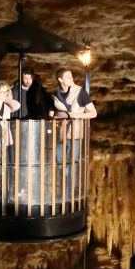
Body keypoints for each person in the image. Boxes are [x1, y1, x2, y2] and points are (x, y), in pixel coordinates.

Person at [51, 68, 96, 203]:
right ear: (60, 80)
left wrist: (77, 115)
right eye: (68, 77)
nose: (72, 78)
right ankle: (59, 192)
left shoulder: (81, 93)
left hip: (75, 135)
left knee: (71, 165)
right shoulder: (55, 94)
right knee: (59, 163)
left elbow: (93, 113)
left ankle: (68, 195)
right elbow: (52, 113)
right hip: (59, 134)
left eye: (71, 76)